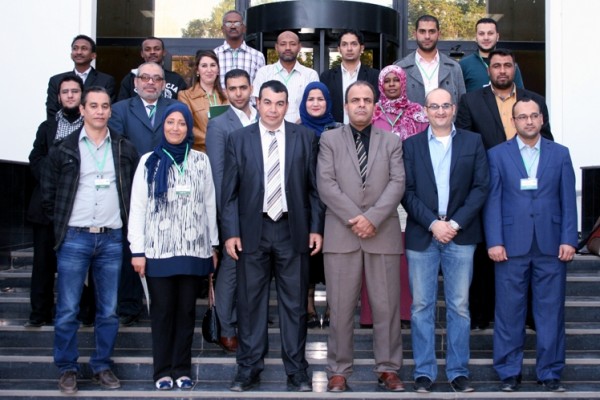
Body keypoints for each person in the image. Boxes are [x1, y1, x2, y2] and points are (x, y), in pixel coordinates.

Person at [221, 80, 324, 392]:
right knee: (250, 304)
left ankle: (297, 371)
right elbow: (229, 193)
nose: (273, 109)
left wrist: (315, 227)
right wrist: (231, 233)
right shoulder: (239, 139)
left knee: (295, 305)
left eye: (280, 103)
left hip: (293, 230)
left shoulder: (305, 137)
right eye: (267, 102)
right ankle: (248, 369)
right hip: (253, 230)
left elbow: (314, 189)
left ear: (287, 105)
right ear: (258, 102)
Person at [41, 86, 139, 394]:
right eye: (93, 105)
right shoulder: (64, 148)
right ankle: (67, 368)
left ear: (111, 111)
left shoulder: (124, 147)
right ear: (82, 109)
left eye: (105, 106)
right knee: (68, 309)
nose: (99, 111)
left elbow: (133, 193)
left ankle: (102, 365)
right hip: (74, 238)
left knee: (108, 310)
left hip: (111, 239)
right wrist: (63, 226)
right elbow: (49, 195)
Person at [484, 97, 577, 393]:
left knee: (551, 312)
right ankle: (509, 372)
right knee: (508, 312)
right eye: (522, 116)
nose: (528, 121)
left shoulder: (560, 154)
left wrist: (569, 239)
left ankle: (550, 372)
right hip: (510, 246)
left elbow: (568, 200)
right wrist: (495, 240)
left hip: (552, 245)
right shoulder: (497, 155)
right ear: (513, 121)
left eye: (534, 116)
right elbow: (492, 201)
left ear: (542, 119)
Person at [455, 48, 553, 330]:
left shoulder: (534, 101)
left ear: (514, 69)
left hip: (528, 192)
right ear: (488, 70)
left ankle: (530, 316)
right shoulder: (470, 101)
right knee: (487, 251)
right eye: (496, 65)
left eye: (507, 65)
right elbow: (465, 144)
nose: (502, 70)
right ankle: (482, 314)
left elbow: (547, 140)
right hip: (486, 187)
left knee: (527, 252)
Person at [317, 81, 405, 392]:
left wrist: (372, 218)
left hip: (382, 233)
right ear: (346, 105)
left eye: (367, 100)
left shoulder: (392, 140)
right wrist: (357, 219)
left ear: (375, 106)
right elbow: (326, 184)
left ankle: (388, 368)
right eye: (355, 100)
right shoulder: (329, 139)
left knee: (387, 308)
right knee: (340, 309)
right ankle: (338, 371)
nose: (361, 105)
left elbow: (398, 182)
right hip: (342, 233)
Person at [402, 88, 489, 393]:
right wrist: (432, 224)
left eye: (445, 106)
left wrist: (453, 224)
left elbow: (481, 187)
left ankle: (458, 371)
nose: (440, 111)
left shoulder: (473, 142)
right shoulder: (411, 145)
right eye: (434, 106)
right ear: (425, 111)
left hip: (460, 234)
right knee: (421, 307)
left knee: (460, 307)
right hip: (422, 234)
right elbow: (406, 192)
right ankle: (424, 372)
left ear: (453, 109)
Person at [128, 103, 218, 390]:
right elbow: (138, 208)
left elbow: (209, 205)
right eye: (170, 122)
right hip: (158, 251)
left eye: (181, 123)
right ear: (163, 126)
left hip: (194, 250)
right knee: (163, 312)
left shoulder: (201, 161)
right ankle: (162, 371)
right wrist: (137, 250)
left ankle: (182, 369)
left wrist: (213, 245)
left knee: (186, 312)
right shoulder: (149, 161)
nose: (175, 128)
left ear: (189, 127)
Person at [109, 61, 178, 326]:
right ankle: (129, 305)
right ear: (136, 82)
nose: (151, 82)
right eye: (145, 78)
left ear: (164, 84)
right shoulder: (119, 110)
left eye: (156, 79)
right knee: (132, 247)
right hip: (130, 188)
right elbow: (118, 149)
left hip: (168, 187)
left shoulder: (173, 108)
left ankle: (162, 304)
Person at [360, 64, 429, 329]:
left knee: (404, 253)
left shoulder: (418, 113)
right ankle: (371, 315)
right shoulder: (371, 112)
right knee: (374, 252)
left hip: (412, 191)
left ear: (403, 83)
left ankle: (405, 312)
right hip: (376, 192)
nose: (391, 84)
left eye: (395, 80)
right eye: (386, 80)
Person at [26, 75, 95, 328]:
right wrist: (53, 177)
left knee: (82, 264)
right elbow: (35, 158)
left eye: (74, 91)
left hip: (79, 206)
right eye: (65, 92)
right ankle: (39, 314)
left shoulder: (91, 127)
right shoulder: (47, 127)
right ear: (58, 97)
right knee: (43, 265)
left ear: (82, 96)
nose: (69, 95)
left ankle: (84, 312)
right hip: (46, 207)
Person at [205, 68, 257, 352]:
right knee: (231, 268)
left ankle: (248, 320)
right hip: (234, 208)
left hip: (263, 208)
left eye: (243, 87)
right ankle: (226, 327)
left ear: (251, 89)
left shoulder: (261, 117)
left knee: (254, 268)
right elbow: (218, 175)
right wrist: (226, 216)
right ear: (226, 91)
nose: (238, 93)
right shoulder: (219, 124)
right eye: (233, 88)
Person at [298, 81, 342, 328]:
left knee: (335, 257)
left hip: (335, 204)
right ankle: (309, 306)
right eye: (310, 99)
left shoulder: (339, 129)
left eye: (320, 99)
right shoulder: (294, 130)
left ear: (328, 102)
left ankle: (335, 307)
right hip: (305, 204)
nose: (315, 103)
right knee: (309, 257)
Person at [395, 15, 465, 106]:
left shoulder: (454, 67)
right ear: (415, 34)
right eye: (422, 31)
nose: (427, 36)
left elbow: (462, 105)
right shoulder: (400, 68)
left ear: (439, 34)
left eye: (432, 31)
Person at [252, 31, 319, 123]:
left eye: (292, 44)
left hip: (301, 128)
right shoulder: (264, 72)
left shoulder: (310, 75)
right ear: (276, 47)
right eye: (283, 44)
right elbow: (258, 104)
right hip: (270, 127)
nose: (288, 48)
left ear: (299, 47)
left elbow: (314, 105)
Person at [46, 34, 115, 119]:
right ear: (71, 54)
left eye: (84, 48)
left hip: (94, 126)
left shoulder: (106, 80)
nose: (79, 52)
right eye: (75, 48)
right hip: (63, 126)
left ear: (93, 55)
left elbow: (108, 109)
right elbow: (52, 111)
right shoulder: (56, 80)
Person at [319, 29, 380, 123]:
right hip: (334, 129)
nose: (349, 48)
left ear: (362, 48)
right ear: (339, 49)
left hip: (366, 129)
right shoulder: (327, 77)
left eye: (354, 44)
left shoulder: (375, 76)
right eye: (344, 44)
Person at [179, 50, 229, 153]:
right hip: (200, 153)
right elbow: (187, 125)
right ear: (197, 70)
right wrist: (213, 140)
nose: (209, 70)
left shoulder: (227, 95)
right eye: (204, 66)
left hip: (226, 152)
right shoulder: (185, 96)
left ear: (218, 70)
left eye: (213, 65)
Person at [459, 18, 524, 93]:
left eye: (490, 33)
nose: (486, 38)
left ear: (497, 36)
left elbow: (521, 95)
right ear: (476, 37)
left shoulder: (510, 65)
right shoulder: (463, 65)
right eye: (481, 34)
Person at [117, 36, 188, 101]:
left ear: (164, 52)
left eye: (157, 49)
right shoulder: (130, 79)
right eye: (147, 49)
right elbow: (122, 106)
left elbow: (182, 106)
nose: (152, 52)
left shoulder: (176, 79)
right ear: (142, 54)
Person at [214, 10, 265, 88]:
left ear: (244, 28)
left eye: (237, 23)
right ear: (222, 29)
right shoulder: (214, 55)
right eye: (228, 23)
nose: (233, 27)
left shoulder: (257, 56)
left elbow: (261, 87)